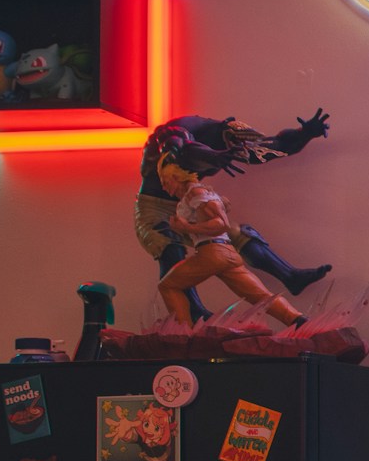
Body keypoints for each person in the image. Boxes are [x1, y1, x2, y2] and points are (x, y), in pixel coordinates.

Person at [135, 111, 333, 320]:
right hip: (153, 206)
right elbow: (176, 148)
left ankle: (289, 277)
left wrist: (304, 134)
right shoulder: (181, 129)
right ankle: (193, 310)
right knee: (168, 243)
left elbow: (272, 147)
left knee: (240, 237)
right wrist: (212, 156)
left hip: (193, 217)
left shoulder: (203, 187)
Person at [156, 158, 304, 327]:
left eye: (165, 181)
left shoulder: (195, 193)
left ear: (177, 177)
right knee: (259, 295)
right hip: (226, 254)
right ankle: (297, 320)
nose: (164, 186)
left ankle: (183, 334)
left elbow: (221, 223)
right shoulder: (197, 194)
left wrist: (187, 226)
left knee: (168, 286)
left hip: (212, 253)